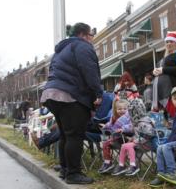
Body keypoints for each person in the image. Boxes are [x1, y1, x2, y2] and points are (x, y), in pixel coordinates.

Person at [40, 22, 103, 184]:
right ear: (83, 34)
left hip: (52, 94)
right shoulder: (82, 46)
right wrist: (98, 93)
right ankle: (73, 174)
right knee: (75, 135)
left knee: (65, 135)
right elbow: (90, 70)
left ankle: (65, 169)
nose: (92, 38)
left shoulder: (61, 50)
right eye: (91, 35)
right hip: (70, 95)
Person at [152, 31, 176, 123]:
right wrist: (155, 71)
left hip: (172, 92)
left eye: (171, 41)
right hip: (162, 94)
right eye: (167, 42)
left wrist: (163, 70)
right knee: (167, 123)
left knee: (175, 120)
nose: (169, 44)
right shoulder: (164, 58)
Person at [98, 99, 133, 174]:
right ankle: (107, 162)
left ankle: (122, 164)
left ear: (127, 109)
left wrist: (123, 129)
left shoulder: (129, 117)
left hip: (125, 138)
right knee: (105, 144)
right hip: (115, 139)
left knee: (110, 140)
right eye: (119, 109)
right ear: (116, 110)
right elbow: (110, 124)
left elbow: (131, 126)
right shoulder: (114, 118)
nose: (122, 110)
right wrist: (105, 126)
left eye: (124, 109)